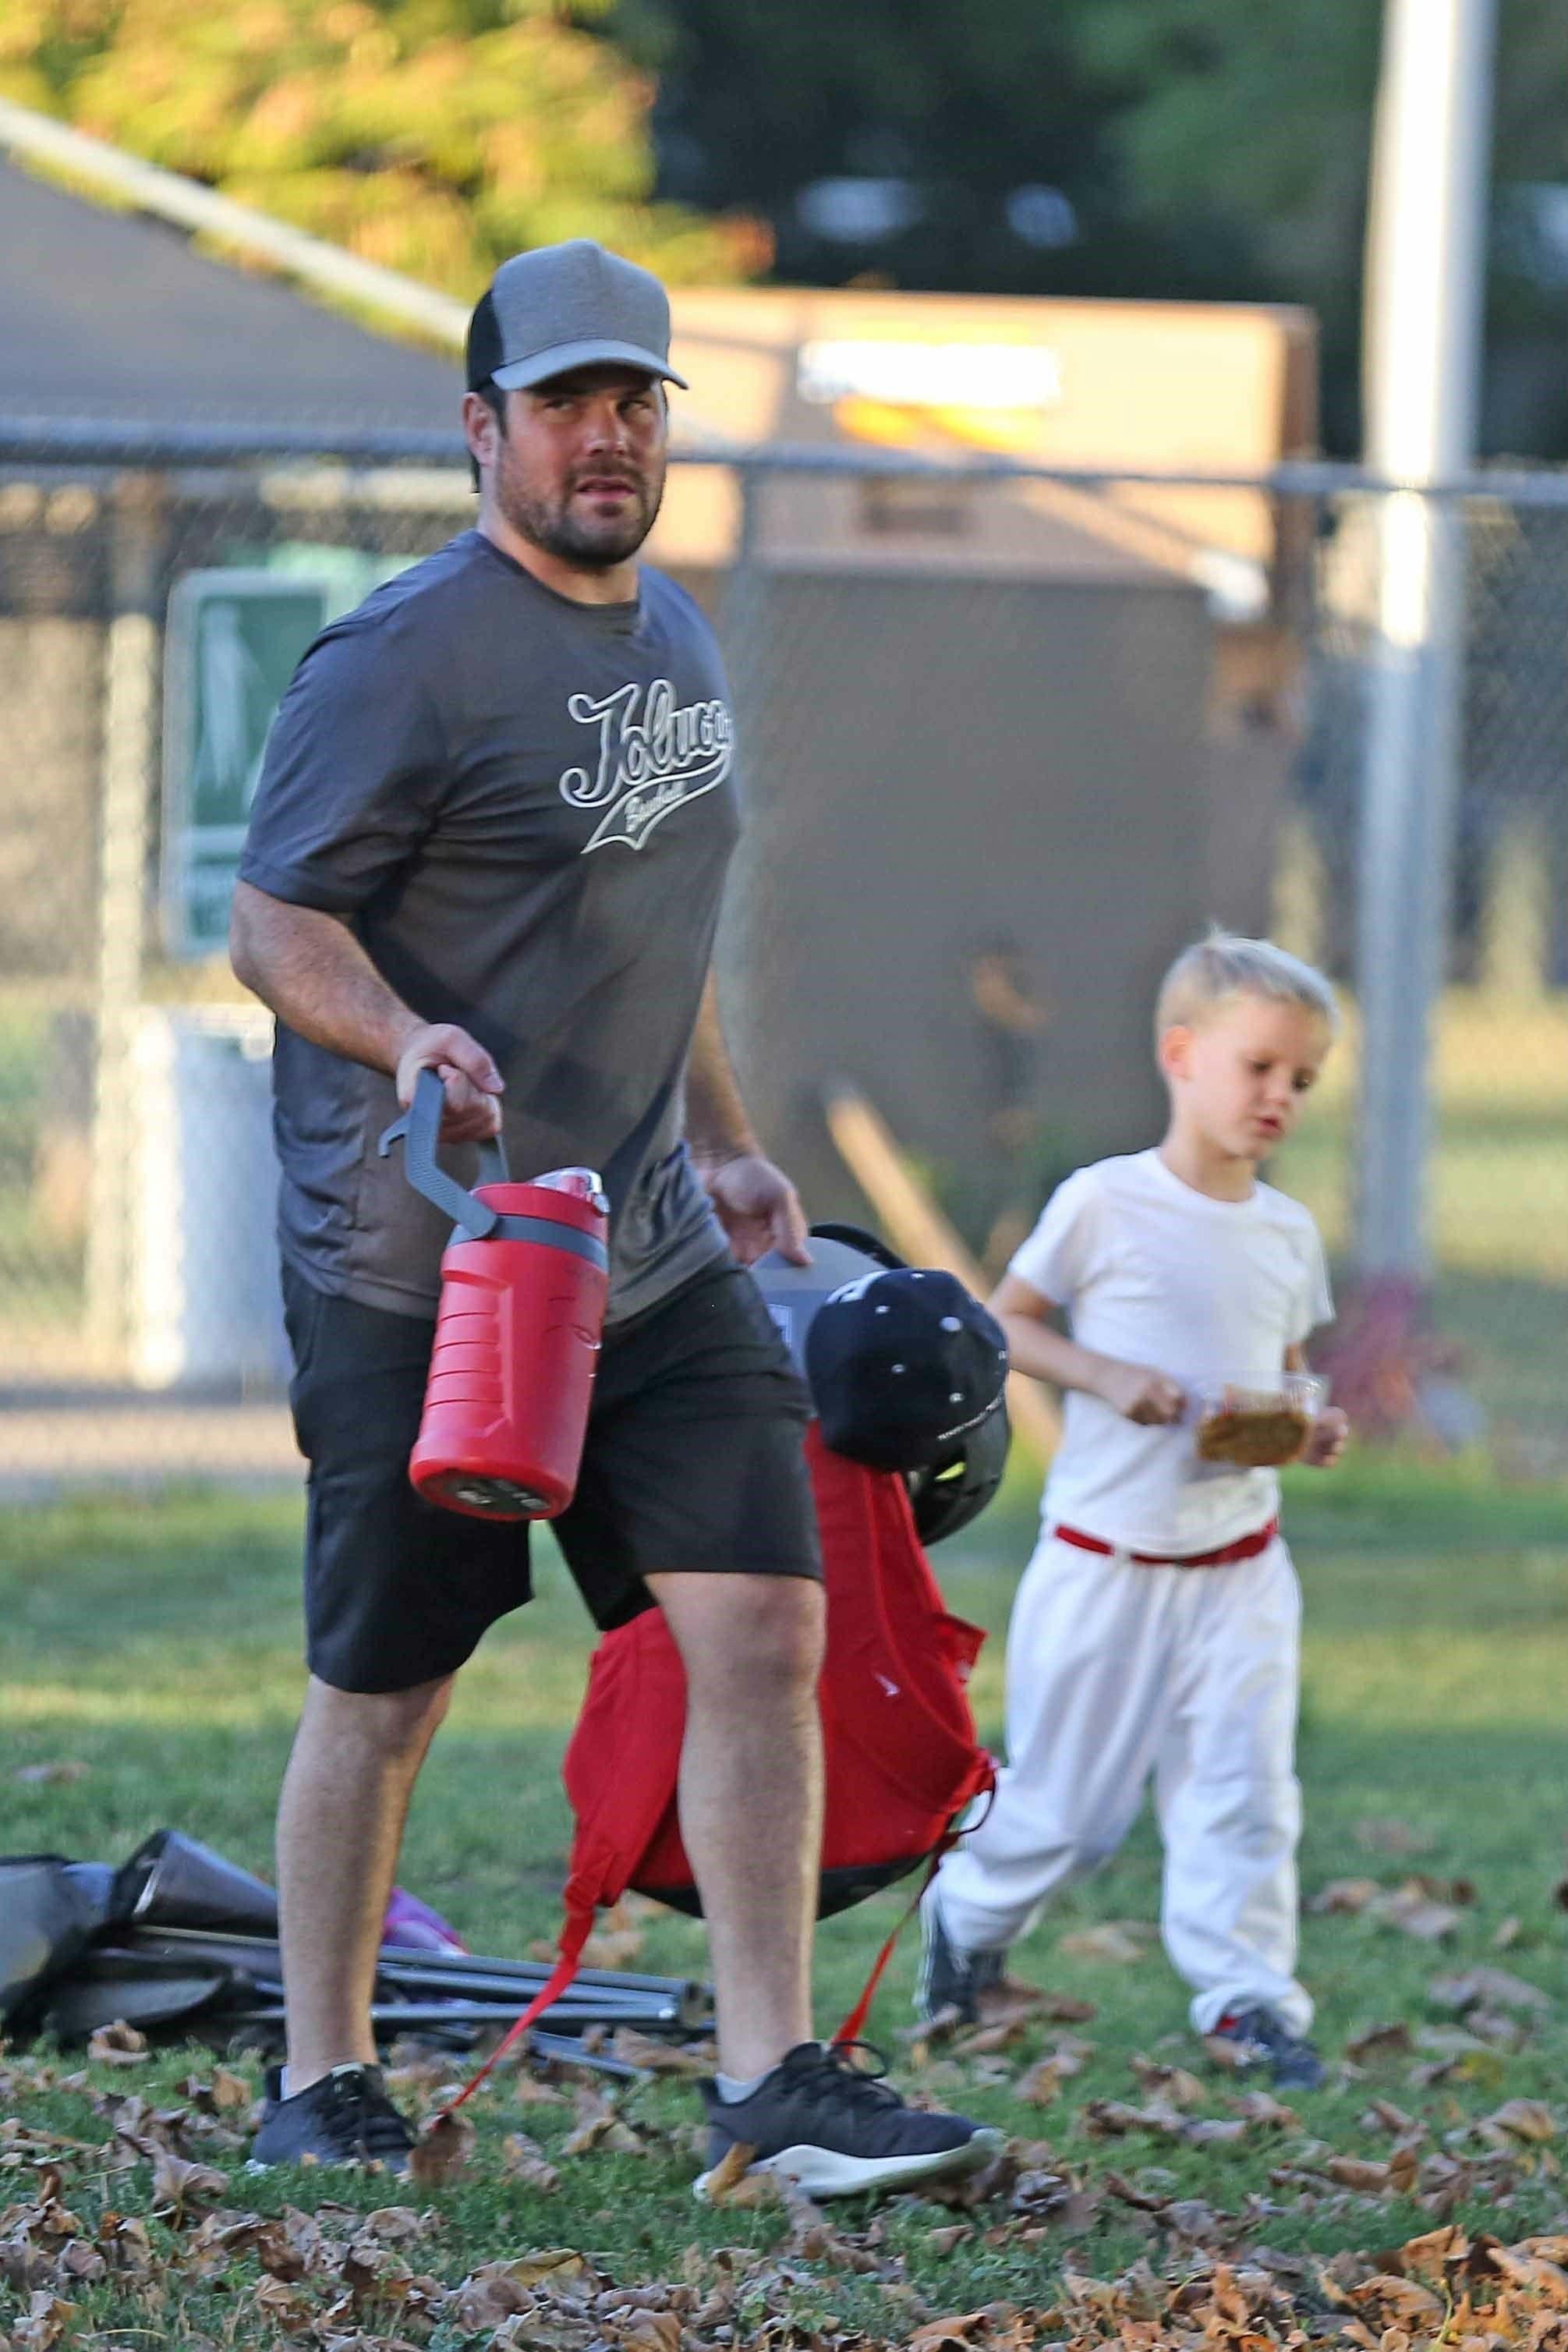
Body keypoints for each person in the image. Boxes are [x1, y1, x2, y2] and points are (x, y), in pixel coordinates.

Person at [230, 239, 993, 2198]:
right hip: (439, 1268)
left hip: (647, 1248)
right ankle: (322, 2073)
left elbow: (662, 934)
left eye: (635, 400)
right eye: (565, 401)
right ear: (481, 426)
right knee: (387, 1682)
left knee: (761, 1617)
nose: (606, 435)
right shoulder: (400, 654)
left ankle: (770, 2075)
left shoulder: (679, 645)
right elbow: (273, 917)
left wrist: (725, 1141)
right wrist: (403, 1035)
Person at [918, 933, 1350, 2088]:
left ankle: (1246, 2000)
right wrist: (1107, 1376)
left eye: (1301, 1081)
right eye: (1259, 1067)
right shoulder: (1106, 1203)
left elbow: (1289, 1365)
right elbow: (1001, 1322)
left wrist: (1305, 1423)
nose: (1280, 1097)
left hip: (1242, 1564)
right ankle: (964, 1931)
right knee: (1069, 1811)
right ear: (1181, 1054)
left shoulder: (1287, 1231)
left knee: (1245, 1791)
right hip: (1108, 1563)